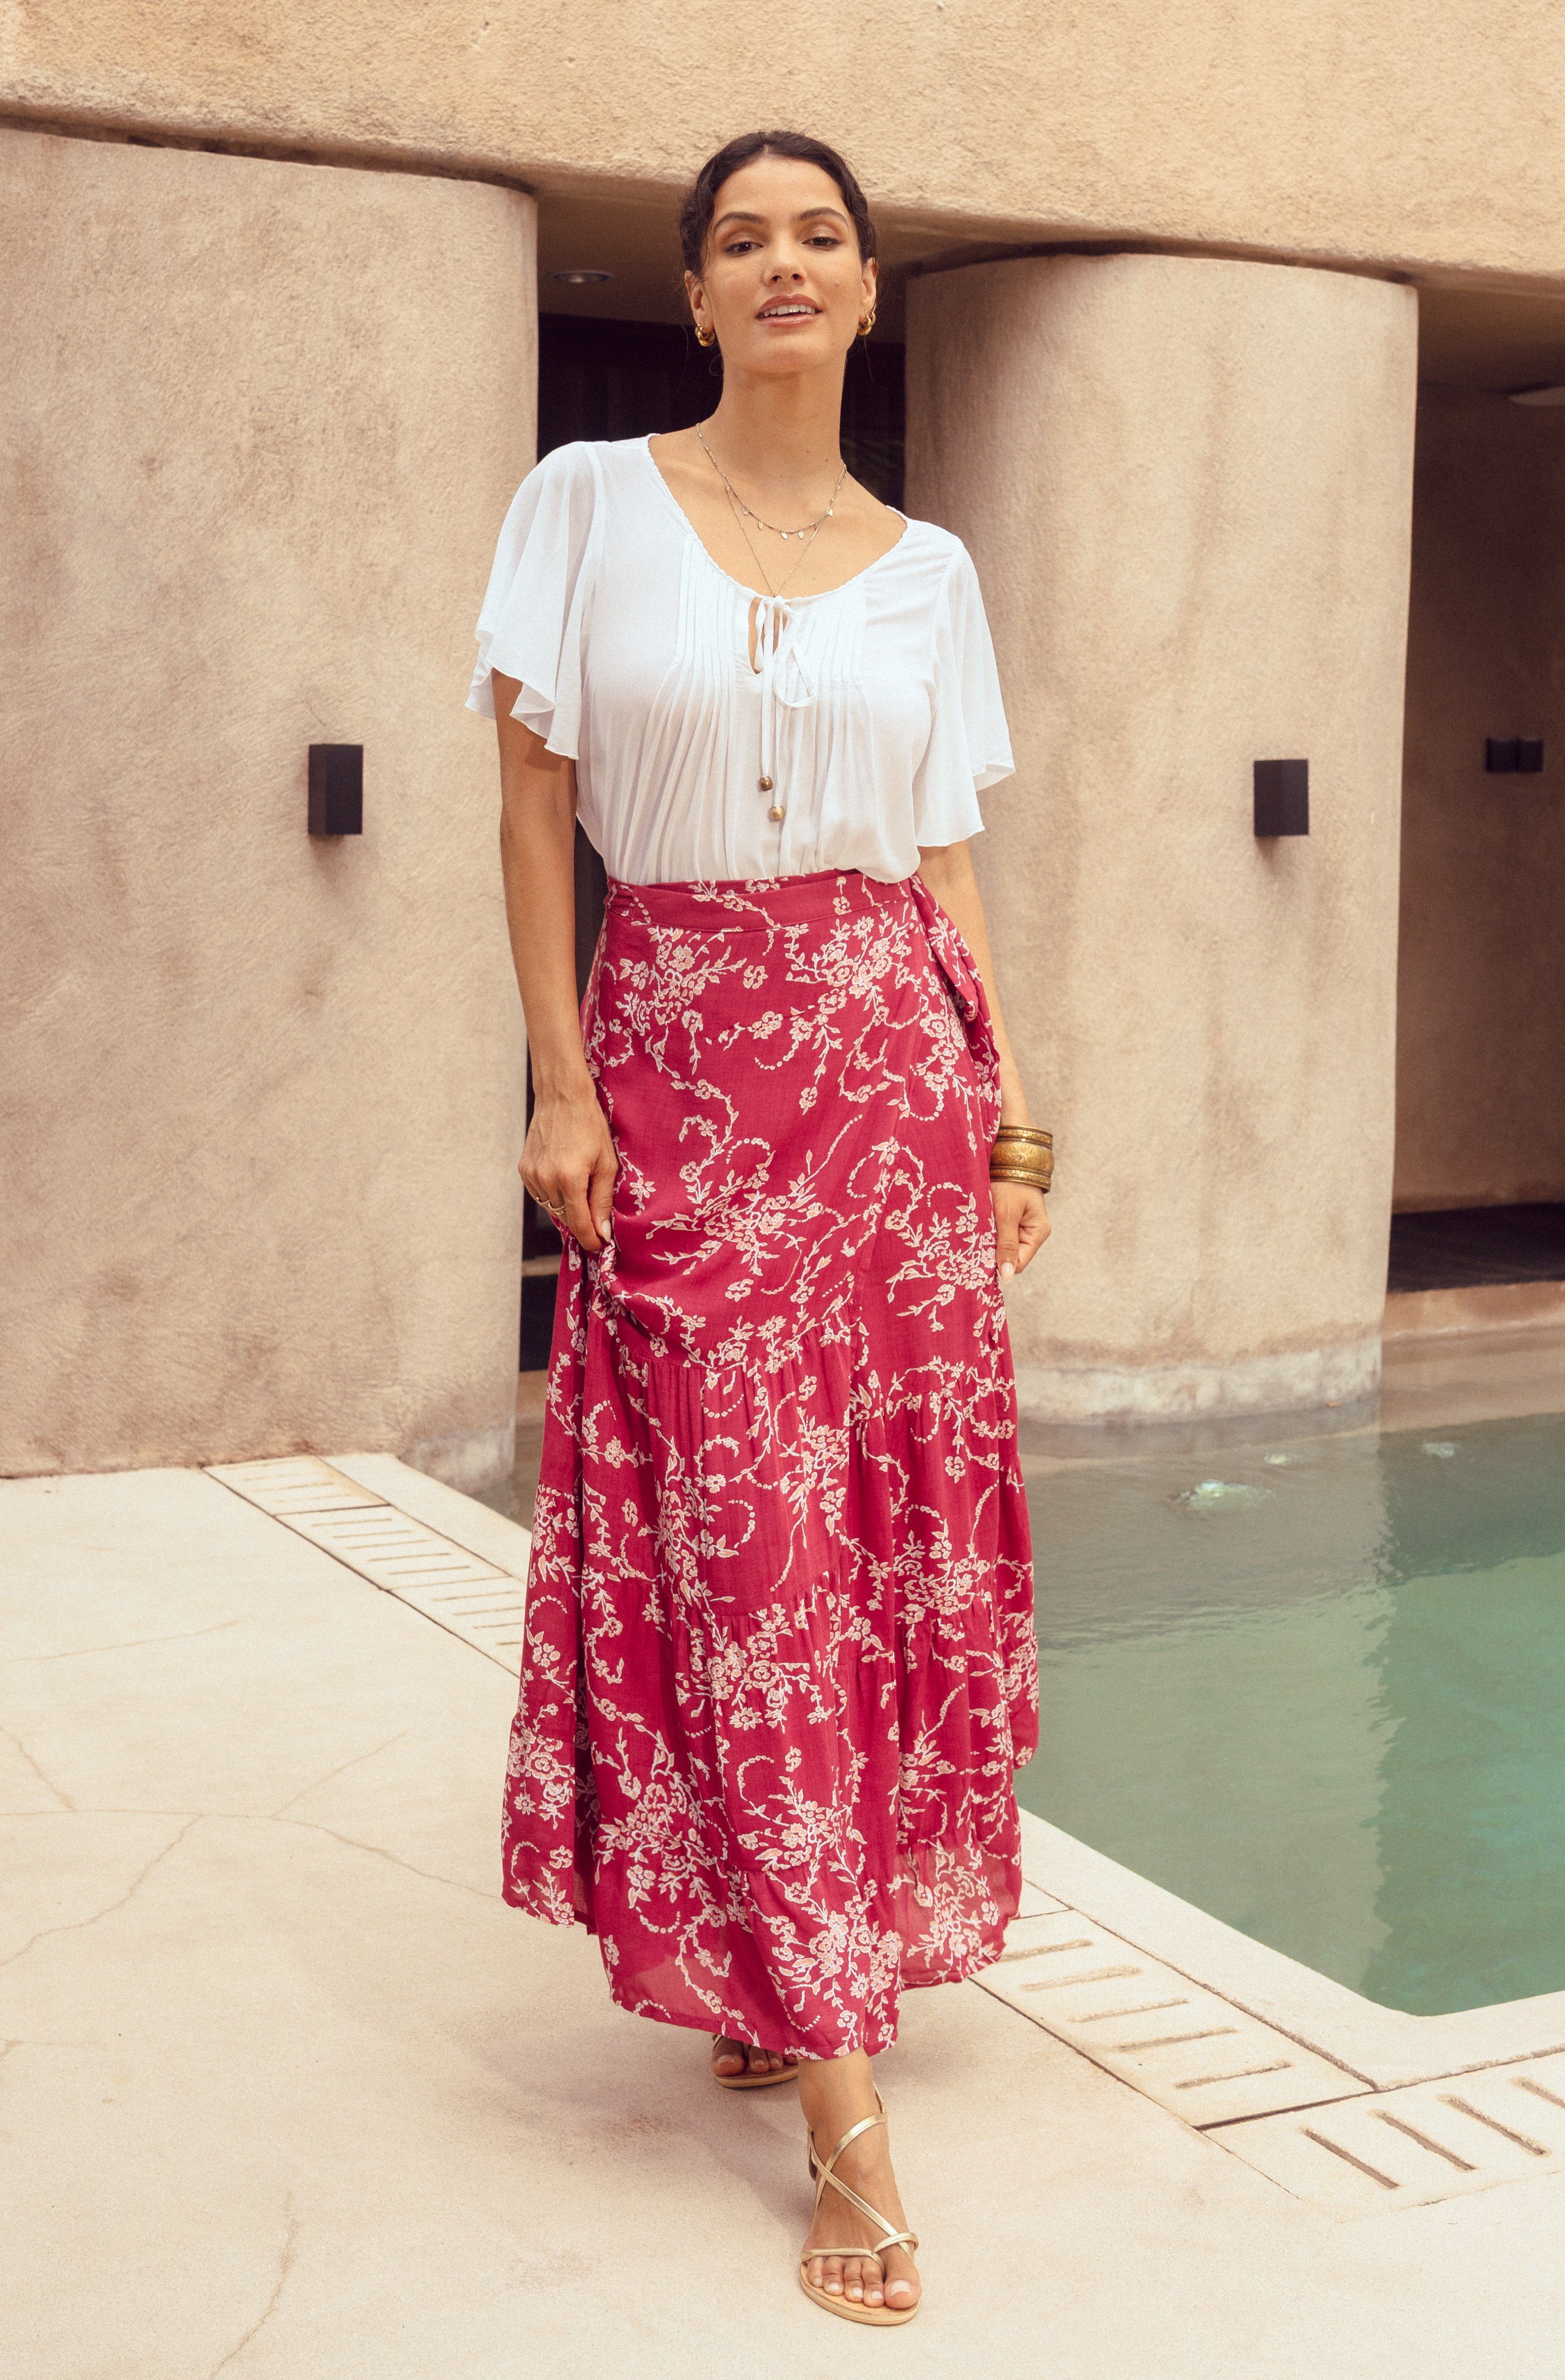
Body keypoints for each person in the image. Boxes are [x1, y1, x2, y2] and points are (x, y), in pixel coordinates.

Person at [469, 128, 1051, 2328]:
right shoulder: (588, 499)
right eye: (741, 240)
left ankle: (791, 1981)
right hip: (688, 1064)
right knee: (740, 1546)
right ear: (696, 294)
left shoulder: (934, 565)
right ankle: (844, 2108)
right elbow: (532, 799)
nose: (781, 263)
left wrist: (1012, 1117)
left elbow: (949, 866)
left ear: (870, 289)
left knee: (868, 1542)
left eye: (820, 235)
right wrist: (555, 1068)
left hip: (896, 1091)